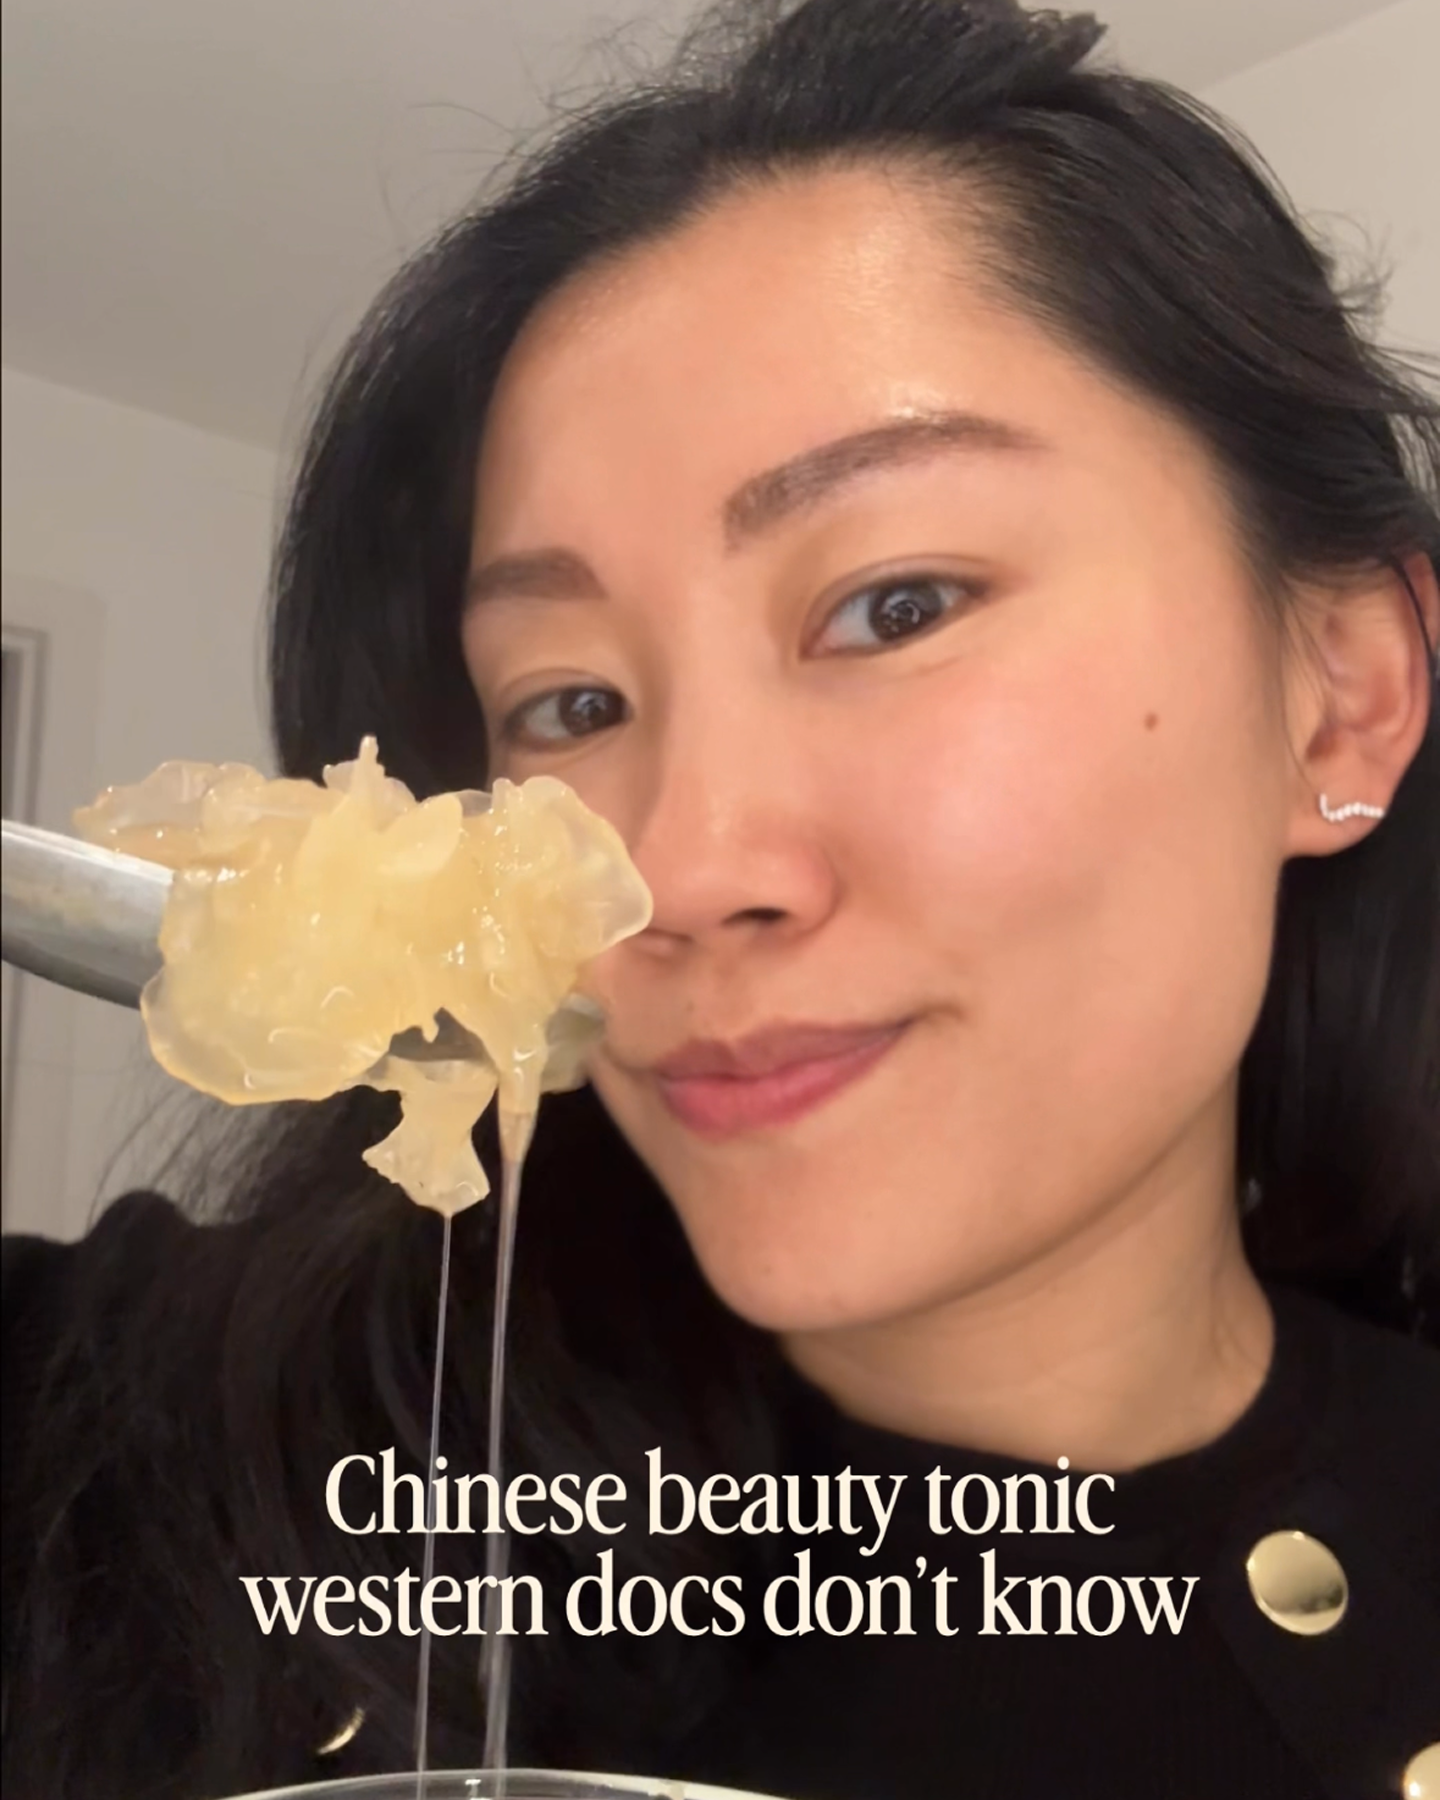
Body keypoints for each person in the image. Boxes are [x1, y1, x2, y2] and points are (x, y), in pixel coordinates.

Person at [3, 0, 1438, 1795]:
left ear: (1342, 690)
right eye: (572, 706)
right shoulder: (155, 1454)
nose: (668, 872)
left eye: (895, 604)